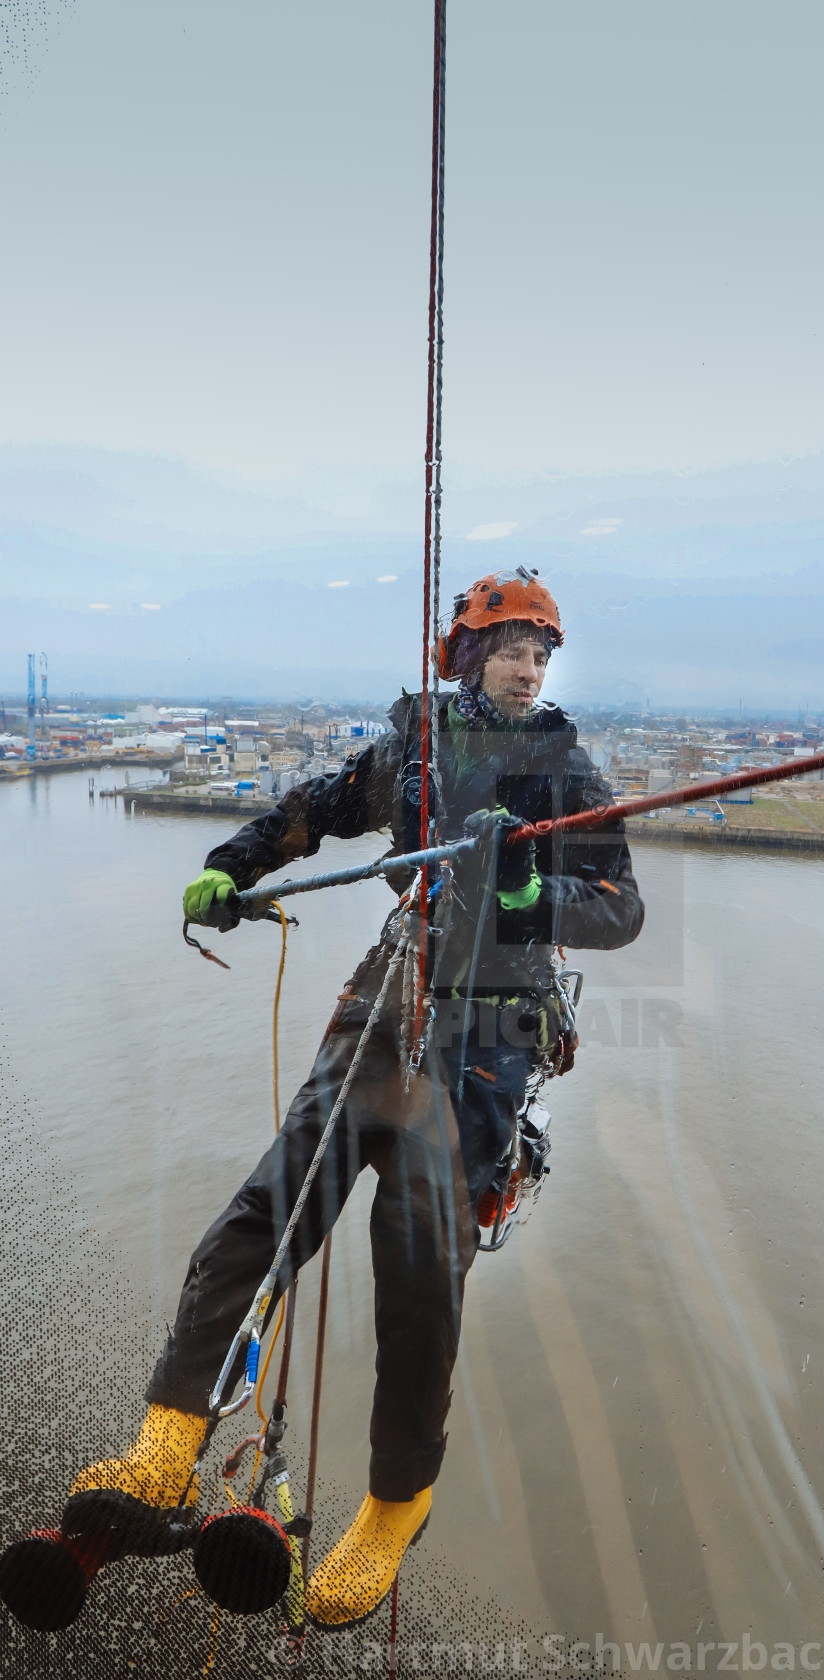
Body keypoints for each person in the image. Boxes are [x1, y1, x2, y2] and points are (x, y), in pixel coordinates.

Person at [69, 568, 645, 1628]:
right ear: (468, 658)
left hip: (489, 1032)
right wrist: (232, 868)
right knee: (266, 1210)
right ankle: (164, 1441)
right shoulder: (413, 752)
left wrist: (529, 892)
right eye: (509, 648)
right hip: (387, 996)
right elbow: (314, 813)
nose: (527, 667)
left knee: (421, 1269)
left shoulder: (566, 772)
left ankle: (395, 1502)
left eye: (539, 652)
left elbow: (620, 908)